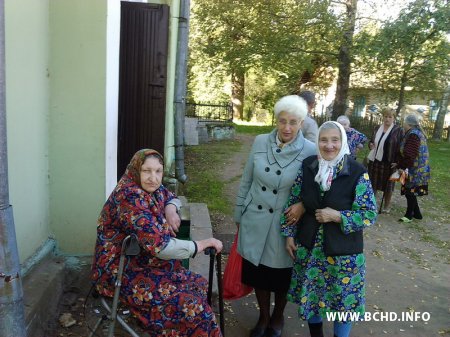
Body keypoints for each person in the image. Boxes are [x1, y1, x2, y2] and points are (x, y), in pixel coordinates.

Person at [91, 149, 223, 337]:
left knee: (197, 284)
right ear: (136, 170)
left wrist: (170, 210)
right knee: (193, 306)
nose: (153, 177)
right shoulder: (129, 197)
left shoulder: (150, 188)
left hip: (141, 261)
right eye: (147, 171)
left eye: (158, 171)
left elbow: (170, 196)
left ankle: (172, 328)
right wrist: (201, 245)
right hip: (117, 272)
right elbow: (161, 247)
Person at [281, 121, 377, 337]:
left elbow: (369, 213)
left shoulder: (357, 172)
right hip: (310, 247)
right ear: (317, 142)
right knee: (312, 298)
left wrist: (338, 216)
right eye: (324, 140)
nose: (329, 145)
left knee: (343, 304)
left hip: (343, 254)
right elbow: (294, 200)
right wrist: (289, 235)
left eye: (335, 140)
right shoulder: (308, 166)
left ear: (343, 142)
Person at [234, 95, 316, 337]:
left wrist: (302, 204)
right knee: (258, 274)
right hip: (255, 217)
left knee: (281, 275)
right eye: (282, 121)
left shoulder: (310, 150)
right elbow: (247, 180)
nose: (287, 128)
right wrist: (239, 214)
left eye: (293, 122)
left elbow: (316, 188)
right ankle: (263, 316)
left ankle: (278, 317)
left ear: (302, 122)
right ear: (276, 120)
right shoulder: (259, 142)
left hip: (286, 224)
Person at [366, 107, 403, 213]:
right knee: (373, 183)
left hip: (389, 162)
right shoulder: (377, 128)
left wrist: (398, 162)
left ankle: (386, 206)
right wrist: (371, 144)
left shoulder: (398, 130)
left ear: (394, 118)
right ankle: (371, 204)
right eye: (385, 116)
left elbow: (401, 147)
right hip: (375, 160)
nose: (387, 119)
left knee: (388, 186)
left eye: (390, 117)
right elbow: (371, 141)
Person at [397, 114, 430, 222]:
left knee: (409, 191)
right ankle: (417, 213)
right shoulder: (417, 133)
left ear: (409, 124)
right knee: (411, 191)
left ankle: (409, 215)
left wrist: (403, 167)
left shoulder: (413, 135)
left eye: (404, 122)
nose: (403, 124)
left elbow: (410, 155)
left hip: (414, 170)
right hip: (419, 169)